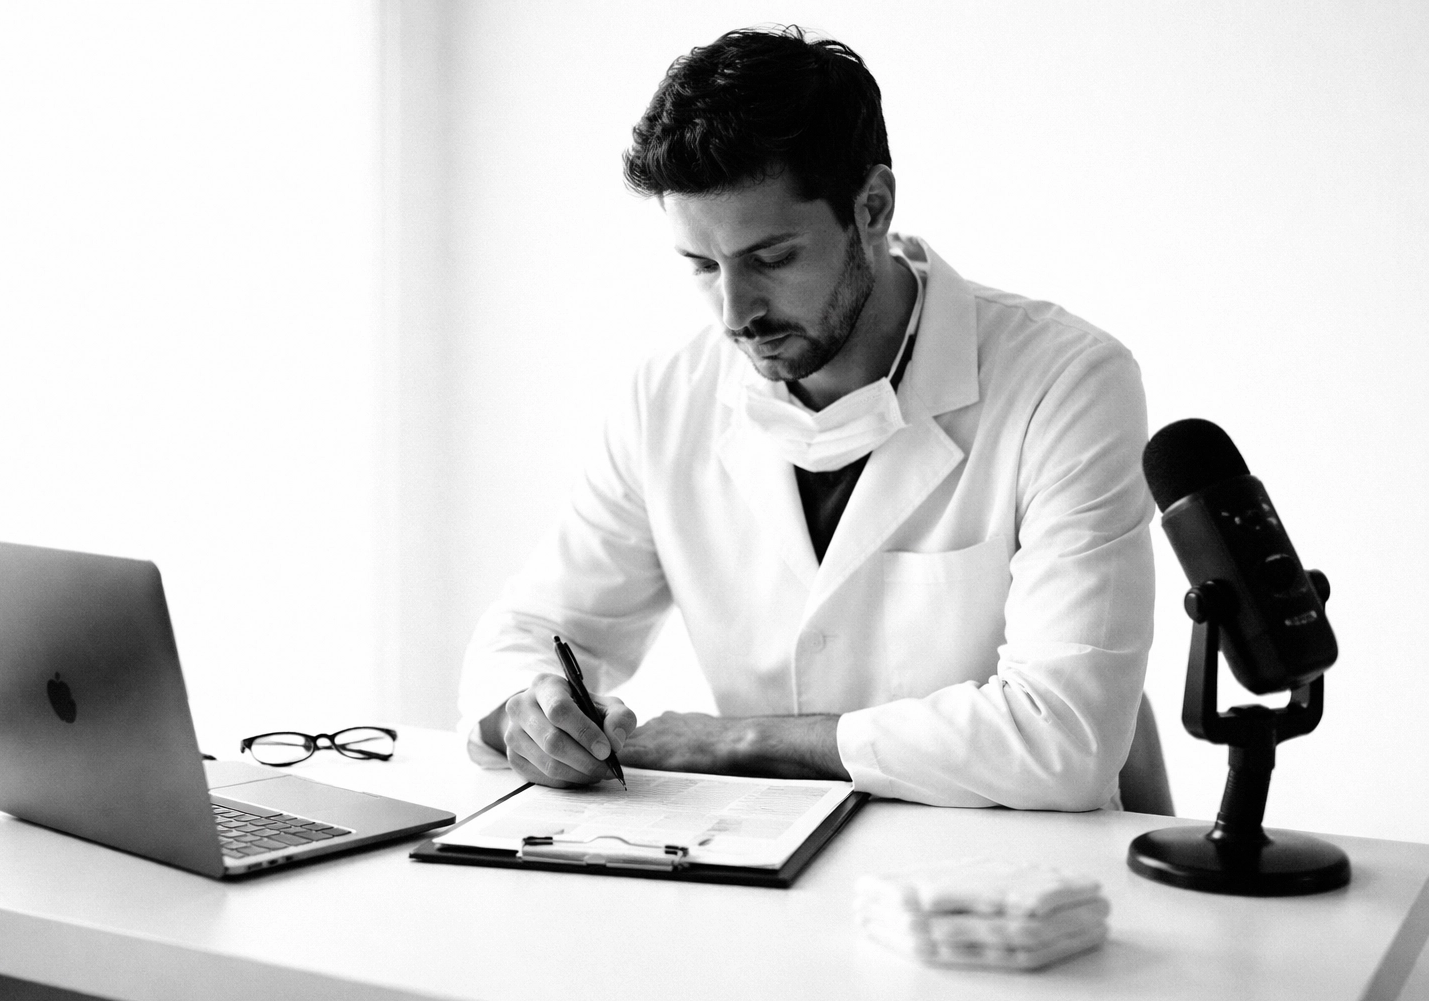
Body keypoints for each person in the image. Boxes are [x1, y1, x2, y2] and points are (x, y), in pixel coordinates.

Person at [457, 26, 1154, 811]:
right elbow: (535, 630)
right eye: (701, 266)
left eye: (772, 258)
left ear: (872, 207)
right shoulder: (667, 397)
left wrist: (744, 740)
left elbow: (1064, 739)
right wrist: (529, 708)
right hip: (761, 861)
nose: (734, 312)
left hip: (999, 883)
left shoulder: (1066, 383)